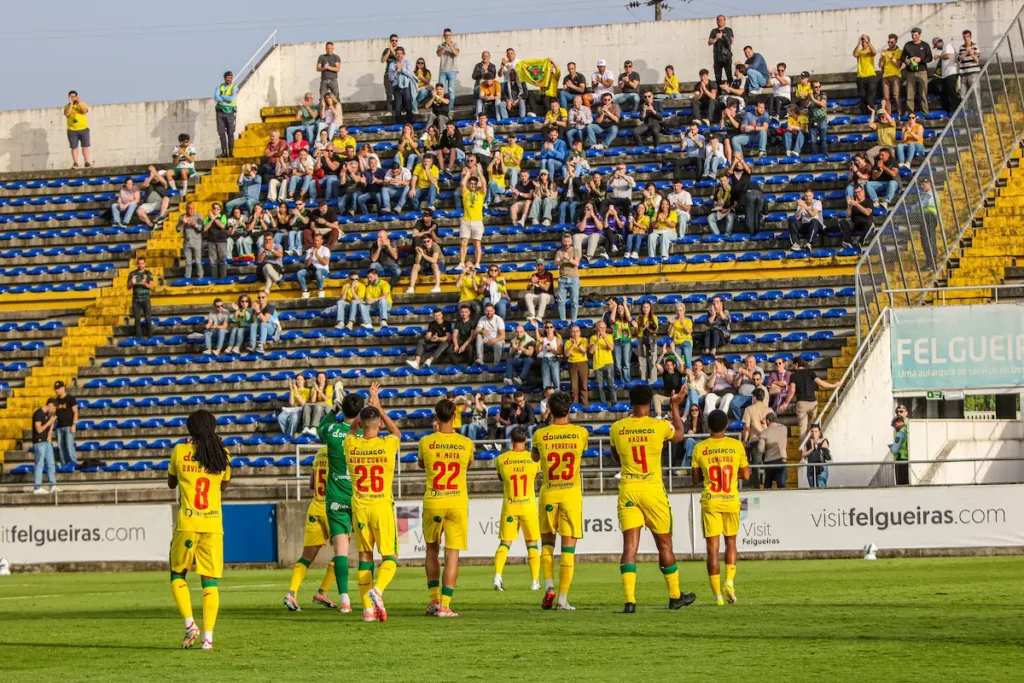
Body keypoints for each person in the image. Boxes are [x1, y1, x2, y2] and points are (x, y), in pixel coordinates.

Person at [611, 385, 697, 613]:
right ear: (650, 403)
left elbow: (615, 456)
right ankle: (675, 596)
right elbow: (680, 435)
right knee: (665, 544)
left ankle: (629, 601)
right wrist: (675, 406)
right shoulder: (659, 426)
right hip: (652, 489)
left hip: (628, 488)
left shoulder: (617, 428)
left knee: (630, 546)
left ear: (630, 403)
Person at [168, 409, 231, 649]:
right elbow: (224, 485)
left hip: (188, 523)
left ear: (189, 429)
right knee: (210, 583)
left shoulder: (180, 451)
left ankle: (189, 624)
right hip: (213, 525)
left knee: (177, 575)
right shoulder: (222, 454)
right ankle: (208, 638)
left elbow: (170, 483)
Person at [342, 385, 402, 623]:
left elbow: (352, 430)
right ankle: (377, 591)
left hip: (360, 506)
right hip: (381, 506)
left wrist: (361, 412)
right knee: (390, 557)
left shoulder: (351, 445)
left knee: (365, 558)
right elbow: (396, 432)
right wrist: (378, 406)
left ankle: (367, 610)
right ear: (378, 424)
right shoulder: (387, 445)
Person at [419, 398, 476, 617]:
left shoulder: (426, 441)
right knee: (452, 554)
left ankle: (433, 600)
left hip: (434, 500)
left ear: (436, 416)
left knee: (431, 550)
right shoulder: (466, 442)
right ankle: (445, 604)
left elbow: (421, 464)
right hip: (456, 502)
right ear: (455, 416)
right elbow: (468, 465)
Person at [532, 391, 588, 611]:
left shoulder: (540, 434)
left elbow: (535, 458)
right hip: (570, 495)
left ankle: (548, 586)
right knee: (568, 550)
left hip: (549, 492)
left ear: (549, 410)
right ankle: (563, 600)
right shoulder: (580, 433)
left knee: (547, 545)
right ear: (570, 409)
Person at [316, 391, 366, 615]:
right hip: (359, 497)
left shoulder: (332, 431)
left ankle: (344, 599)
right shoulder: (365, 434)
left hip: (336, 497)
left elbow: (320, 428)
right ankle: (369, 599)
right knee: (365, 551)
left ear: (342, 409)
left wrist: (334, 411)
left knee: (341, 551)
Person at [282, 446, 342, 612]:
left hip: (315, 507)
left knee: (306, 558)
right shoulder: (342, 452)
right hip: (333, 508)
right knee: (340, 553)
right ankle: (322, 591)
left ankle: (291, 593)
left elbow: (311, 484)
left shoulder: (320, 453)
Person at [493, 427, 542, 591]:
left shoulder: (501, 459)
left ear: (511, 440)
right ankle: (535, 581)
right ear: (526, 440)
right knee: (532, 544)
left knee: (505, 543)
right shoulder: (534, 459)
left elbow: (501, 478)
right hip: (527, 505)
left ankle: (497, 577)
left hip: (510, 505)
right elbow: (536, 476)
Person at [779, 356, 841, 440]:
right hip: (813, 403)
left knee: (802, 430)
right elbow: (822, 383)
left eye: (793, 365)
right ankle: (813, 447)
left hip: (801, 404)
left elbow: (792, 391)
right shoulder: (810, 372)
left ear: (796, 364)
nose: (793, 367)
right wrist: (834, 385)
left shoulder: (793, 375)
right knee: (813, 428)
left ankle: (804, 451)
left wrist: (786, 403)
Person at [457, 175, 486, 272]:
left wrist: (479, 173)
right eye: (471, 183)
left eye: (475, 184)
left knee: (477, 243)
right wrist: (468, 174)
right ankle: (461, 263)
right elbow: (462, 184)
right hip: (466, 220)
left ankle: (477, 263)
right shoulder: (466, 193)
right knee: (463, 243)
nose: (473, 185)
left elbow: (484, 184)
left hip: (477, 221)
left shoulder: (480, 194)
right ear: (468, 184)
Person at [31, 399, 58, 494]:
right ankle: (37, 487)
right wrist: (49, 423)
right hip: (39, 441)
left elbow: (52, 421)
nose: (54, 410)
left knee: (51, 463)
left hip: (46, 441)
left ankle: (52, 485)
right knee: (40, 463)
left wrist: (50, 433)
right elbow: (39, 429)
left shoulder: (49, 414)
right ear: (49, 405)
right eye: (54, 408)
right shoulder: (38, 414)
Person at [903, 28, 933, 114]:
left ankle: (925, 112)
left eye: (915, 35)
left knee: (923, 93)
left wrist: (920, 60)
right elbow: (902, 57)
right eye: (912, 35)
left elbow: (930, 58)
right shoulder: (907, 45)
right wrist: (907, 61)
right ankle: (909, 113)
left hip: (922, 71)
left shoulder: (925, 45)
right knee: (910, 93)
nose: (914, 37)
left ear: (919, 35)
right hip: (910, 72)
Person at [125, 256, 154, 340]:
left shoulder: (148, 273)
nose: (140, 265)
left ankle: (150, 338)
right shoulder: (132, 274)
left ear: (145, 264)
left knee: (148, 318)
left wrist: (145, 284)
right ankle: (138, 338)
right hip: (136, 300)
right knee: (137, 319)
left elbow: (152, 286)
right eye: (139, 263)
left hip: (146, 299)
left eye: (142, 263)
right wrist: (132, 283)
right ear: (137, 264)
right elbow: (128, 287)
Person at [555, 233, 581, 322]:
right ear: (562, 242)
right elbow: (556, 263)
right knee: (561, 302)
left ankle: (574, 321)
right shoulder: (559, 252)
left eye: (568, 241)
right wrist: (562, 259)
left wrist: (569, 258)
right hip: (562, 279)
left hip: (574, 279)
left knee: (574, 301)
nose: (566, 243)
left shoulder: (575, 251)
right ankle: (563, 321)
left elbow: (577, 263)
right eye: (565, 241)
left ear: (571, 242)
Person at [758, 412, 789, 489]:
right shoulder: (784, 428)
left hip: (769, 461)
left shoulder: (763, 433)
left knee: (768, 483)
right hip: (782, 460)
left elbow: (761, 449)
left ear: (768, 421)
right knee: (781, 485)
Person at [590, 320, 616, 405]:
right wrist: (597, 340)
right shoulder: (593, 338)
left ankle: (614, 403)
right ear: (597, 328)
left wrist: (604, 338)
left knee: (611, 385)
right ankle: (603, 404)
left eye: (604, 328)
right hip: (597, 364)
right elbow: (591, 351)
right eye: (601, 328)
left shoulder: (609, 336)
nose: (603, 329)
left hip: (608, 363)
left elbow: (611, 348)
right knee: (600, 386)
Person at [52, 381, 78, 467]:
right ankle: (64, 465)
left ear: (63, 387)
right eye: (56, 389)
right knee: (61, 447)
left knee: (69, 446)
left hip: (69, 425)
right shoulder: (56, 400)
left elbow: (75, 412)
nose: (57, 390)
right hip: (59, 426)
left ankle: (74, 464)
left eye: (58, 388)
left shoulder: (70, 398)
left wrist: (74, 424)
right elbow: (54, 414)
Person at [63, 90, 91, 168]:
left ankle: (87, 162)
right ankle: (75, 162)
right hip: (72, 130)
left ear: (77, 97)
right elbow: (67, 114)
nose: (72, 98)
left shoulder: (83, 104)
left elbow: (84, 111)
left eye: (74, 97)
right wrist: (71, 104)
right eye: (71, 97)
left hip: (83, 129)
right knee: (74, 147)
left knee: (85, 146)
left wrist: (79, 102)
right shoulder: (67, 106)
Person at [879, 34, 905, 116]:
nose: (889, 43)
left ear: (896, 42)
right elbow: (880, 66)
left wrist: (891, 57)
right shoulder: (885, 51)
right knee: (886, 97)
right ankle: (888, 115)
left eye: (891, 42)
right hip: (885, 76)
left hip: (895, 75)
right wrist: (881, 58)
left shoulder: (899, 51)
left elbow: (898, 65)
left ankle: (900, 114)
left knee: (896, 96)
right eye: (888, 42)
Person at [933, 37, 960, 113]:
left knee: (952, 93)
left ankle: (955, 109)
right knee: (945, 93)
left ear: (938, 43)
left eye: (936, 46)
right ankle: (949, 109)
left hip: (951, 73)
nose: (937, 48)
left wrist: (938, 56)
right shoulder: (945, 48)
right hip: (946, 74)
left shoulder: (947, 46)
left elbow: (948, 56)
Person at [214, 71, 238, 158]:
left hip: (230, 112)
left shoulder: (234, 87)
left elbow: (231, 99)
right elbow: (216, 97)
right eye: (227, 77)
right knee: (221, 133)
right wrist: (224, 97)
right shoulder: (219, 86)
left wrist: (222, 96)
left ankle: (231, 152)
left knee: (230, 133)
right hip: (220, 112)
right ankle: (224, 152)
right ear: (224, 78)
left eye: (230, 78)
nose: (229, 79)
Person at [436, 29, 460, 113]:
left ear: (451, 36)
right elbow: (439, 54)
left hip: (452, 70)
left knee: (451, 89)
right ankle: (439, 105)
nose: (447, 37)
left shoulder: (455, 44)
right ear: (443, 36)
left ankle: (450, 107)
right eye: (446, 35)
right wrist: (445, 46)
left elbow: (456, 53)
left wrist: (450, 45)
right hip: (443, 70)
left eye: (449, 35)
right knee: (439, 89)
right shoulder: (440, 45)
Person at [524, 258, 554, 325]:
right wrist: (531, 283)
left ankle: (539, 316)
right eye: (538, 265)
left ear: (544, 265)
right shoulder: (534, 275)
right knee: (527, 295)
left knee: (543, 295)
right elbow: (528, 288)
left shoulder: (548, 274)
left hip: (549, 297)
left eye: (541, 265)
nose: (540, 267)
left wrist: (537, 281)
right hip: (539, 296)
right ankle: (532, 315)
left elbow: (546, 288)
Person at [250, 290, 280, 355]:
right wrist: (255, 311)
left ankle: (261, 346)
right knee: (253, 325)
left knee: (263, 324)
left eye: (263, 297)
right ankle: (252, 345)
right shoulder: (257, 307)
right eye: (259, 297)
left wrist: (258, 311)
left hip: (273, 327)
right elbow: (255, 322)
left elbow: (265, 320)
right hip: (262, 327)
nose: (261, 299)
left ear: (267, 298)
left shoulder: (270, 307)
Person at [853, 35, 878, 115]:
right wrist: (858, 43)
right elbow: (855, 54)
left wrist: (868, 42)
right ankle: (865, 115)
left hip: (871, 76)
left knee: (870, 97)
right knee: (862, 97)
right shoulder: (860, 52)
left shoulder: (870, 51)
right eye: (862, 41)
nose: (863, 43)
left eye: (865, 42)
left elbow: (874, 52)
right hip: (861, 76)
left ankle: (872, 114)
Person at [708, 15, 734, 86]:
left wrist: (723, 36)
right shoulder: (714, 31)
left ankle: (730, 90)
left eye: (721, 20)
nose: (719, 21)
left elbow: (731, 42)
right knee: (718, 76)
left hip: (727, 56)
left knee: (729, 75)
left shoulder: (729, 30)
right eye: (718, 20)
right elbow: (709, 42)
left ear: (724, 21)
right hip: (717, 57)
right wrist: (716, 38)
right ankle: (718, 92)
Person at [958, 30, 982, 100]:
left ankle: (977, 110)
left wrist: (971, 54)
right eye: (964, 37)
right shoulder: (961, 47)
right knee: (963, 95)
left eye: (967, 37)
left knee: (975, 94)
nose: (966, 38)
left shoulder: (975, 46)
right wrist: (966, 52)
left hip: (973, 74)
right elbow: (958, 58)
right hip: (963, 74)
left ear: (970, 37)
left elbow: (977, 60)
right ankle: (965, 110)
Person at [891, 414, 910, 485]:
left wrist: (891, 448)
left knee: (901, 483)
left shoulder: (900, 434)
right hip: (908, 460)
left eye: (894, 426)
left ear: (897, 423)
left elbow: (894, 450)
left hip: (901, 460)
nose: (895, 428)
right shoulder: (907, 430)